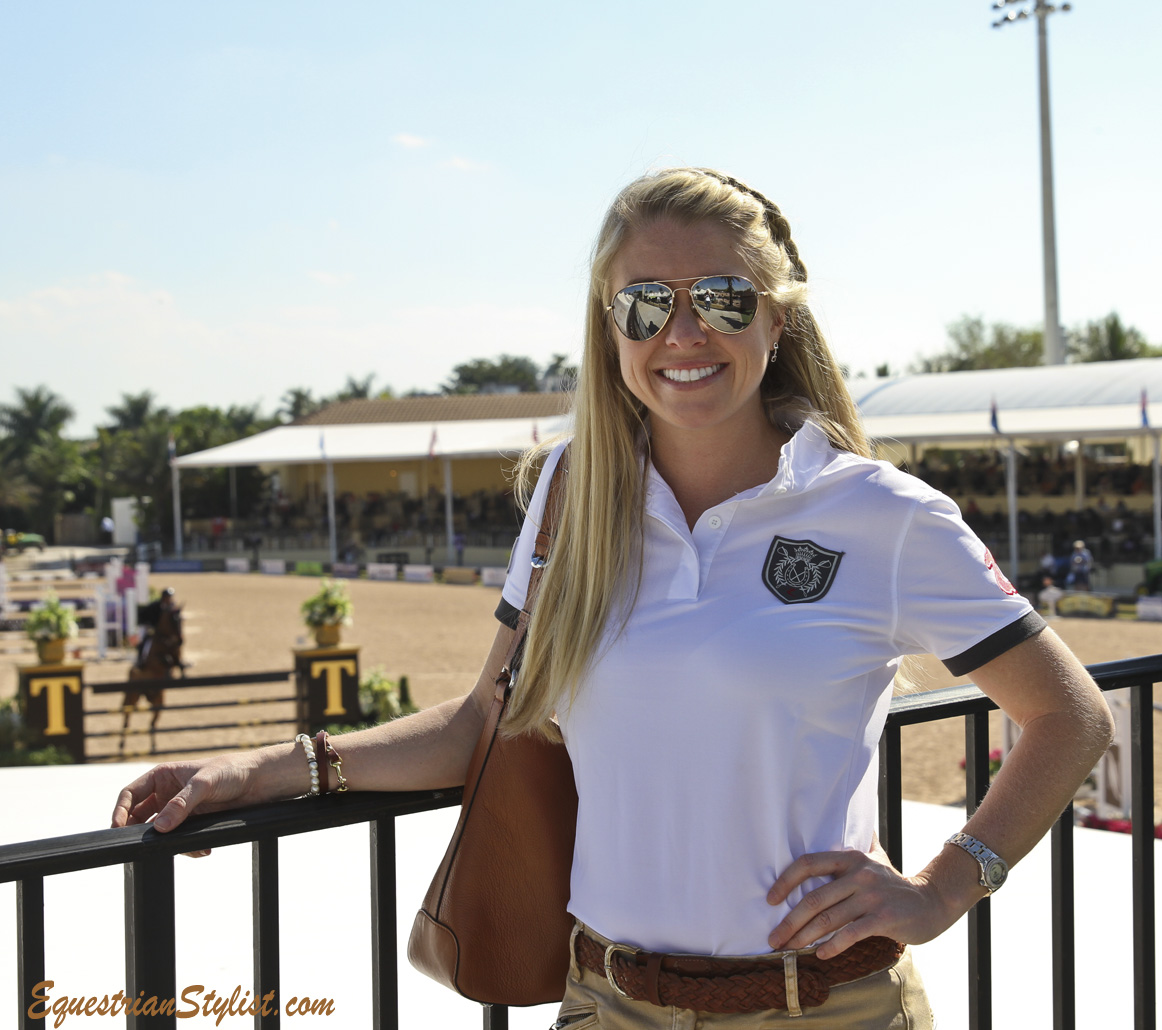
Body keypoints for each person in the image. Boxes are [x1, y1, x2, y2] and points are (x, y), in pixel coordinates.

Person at [112, 168, 1113, 1028]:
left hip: (824, 1006)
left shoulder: (879, 514)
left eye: (720, 298)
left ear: (775, 314)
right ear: (610, 325)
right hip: (605, 1001)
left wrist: (946, 884)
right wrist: (259, 768)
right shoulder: (568, 495)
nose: (682, 332)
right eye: (646, 303)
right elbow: (484, 723)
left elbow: (1067, 715)